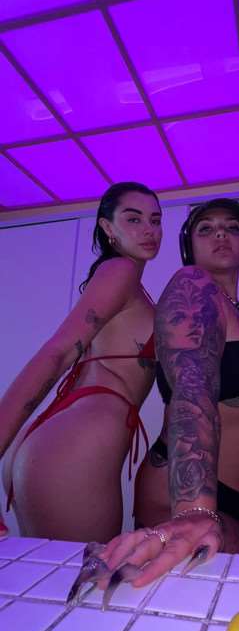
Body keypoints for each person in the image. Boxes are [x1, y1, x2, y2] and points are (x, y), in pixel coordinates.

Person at [90, 198, 239, 594]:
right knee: (214, 605)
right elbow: (191, 386)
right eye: (206, 228)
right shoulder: (192, 285)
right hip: (195, 491)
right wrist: (194, 510)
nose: (221, 233)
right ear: (189, 246)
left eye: (232, 227)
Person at [1, 181, 162, 543]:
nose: (149, 229)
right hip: (78, 443)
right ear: (107, 227)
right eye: (133, 219)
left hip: (69, 436)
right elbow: (58, 351)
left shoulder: (129, 282)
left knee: (56, 573)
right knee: (80, 574)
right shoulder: (119, 270)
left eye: (155, 220)